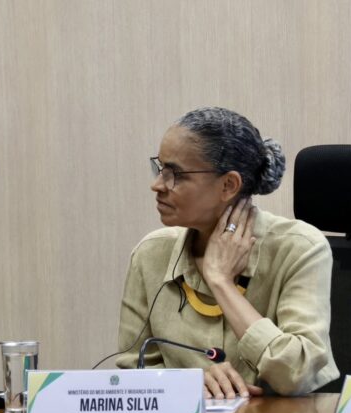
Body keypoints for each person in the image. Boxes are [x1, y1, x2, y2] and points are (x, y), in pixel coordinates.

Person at [115, 107, 339, 398]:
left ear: (228, 185)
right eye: (160, 169)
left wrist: (220, 280)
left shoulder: (299, 248)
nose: (157, 185)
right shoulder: (151, 254)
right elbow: (134, 377)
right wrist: (188, 386)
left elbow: (296, 374)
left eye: (176, 175)